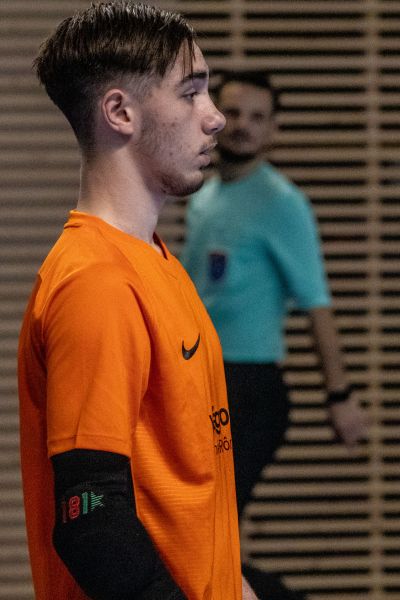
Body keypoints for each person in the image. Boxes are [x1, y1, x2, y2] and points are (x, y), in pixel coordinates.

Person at [18, 5, 259, 599]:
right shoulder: (96, 283)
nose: (215, 117)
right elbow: (92, 523)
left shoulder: (156, 262)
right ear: (120, 112)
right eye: (191, 93)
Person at [181, 71, 369, 600]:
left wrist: (340, 395)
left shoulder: (282, 203)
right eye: (235, 113)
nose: (244, 126)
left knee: (210, 537)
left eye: (258, 117)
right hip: (202, 381)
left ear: (274, 130)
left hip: (251, 389)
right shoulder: (202, 196)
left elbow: (316, 304)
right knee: (201, 537)